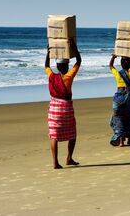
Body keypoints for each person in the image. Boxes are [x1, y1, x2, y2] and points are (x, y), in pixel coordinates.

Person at [45, 39, 81, 169]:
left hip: (54, 110)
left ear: (57, 67)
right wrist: (74, 47)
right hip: (66, 109)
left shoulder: (51, 76)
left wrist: (47, 53)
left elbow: (46, 67)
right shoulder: (69, 76)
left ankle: (55, 162)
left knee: (54, 136)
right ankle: (69, 158)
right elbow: (79, 62)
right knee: (72, 133)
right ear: (66, 67)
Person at [109, 41, 130, 146]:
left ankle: (121, 141)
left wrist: (113, 57)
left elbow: (110, 66)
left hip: (118, 97)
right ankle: (129, 140)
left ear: (121, 64)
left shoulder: (118, 74)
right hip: (129, 98)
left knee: (119, 118)